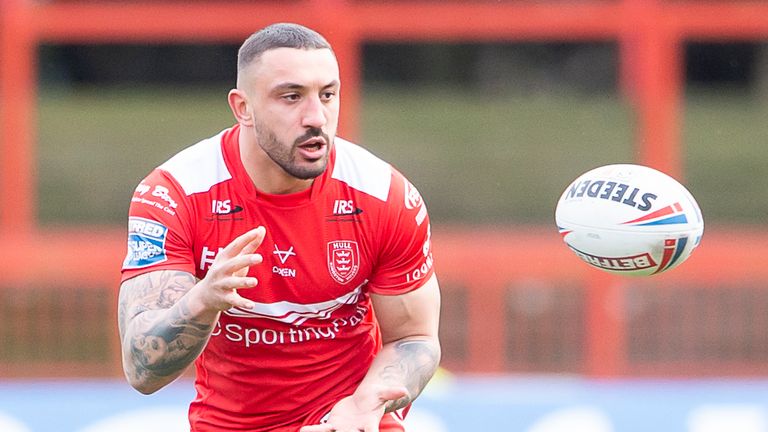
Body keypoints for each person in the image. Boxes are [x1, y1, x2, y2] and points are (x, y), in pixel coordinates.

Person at [118, 22, 441, 432]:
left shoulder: (384, 195)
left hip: (349, 421)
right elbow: (141, 370)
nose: (316, 117)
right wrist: (201, 301)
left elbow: (413, 339)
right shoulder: (175, 194)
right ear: (243, 108)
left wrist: (364, 405)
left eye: (328, 95)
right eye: (291, 97)